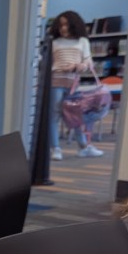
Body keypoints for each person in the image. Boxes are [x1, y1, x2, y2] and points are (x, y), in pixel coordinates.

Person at [49, 10, 103, 160]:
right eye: (60, 25)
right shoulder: (54, 43)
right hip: (56, 81)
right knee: (54, 115)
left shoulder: (82, 41)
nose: (63, 28)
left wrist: (81, 66)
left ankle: (83, 146)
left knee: (75, 115)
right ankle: (56, 148)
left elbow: (88, 61)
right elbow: (49, 64)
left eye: (66, 24)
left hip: (73, 83)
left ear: (74, 25)